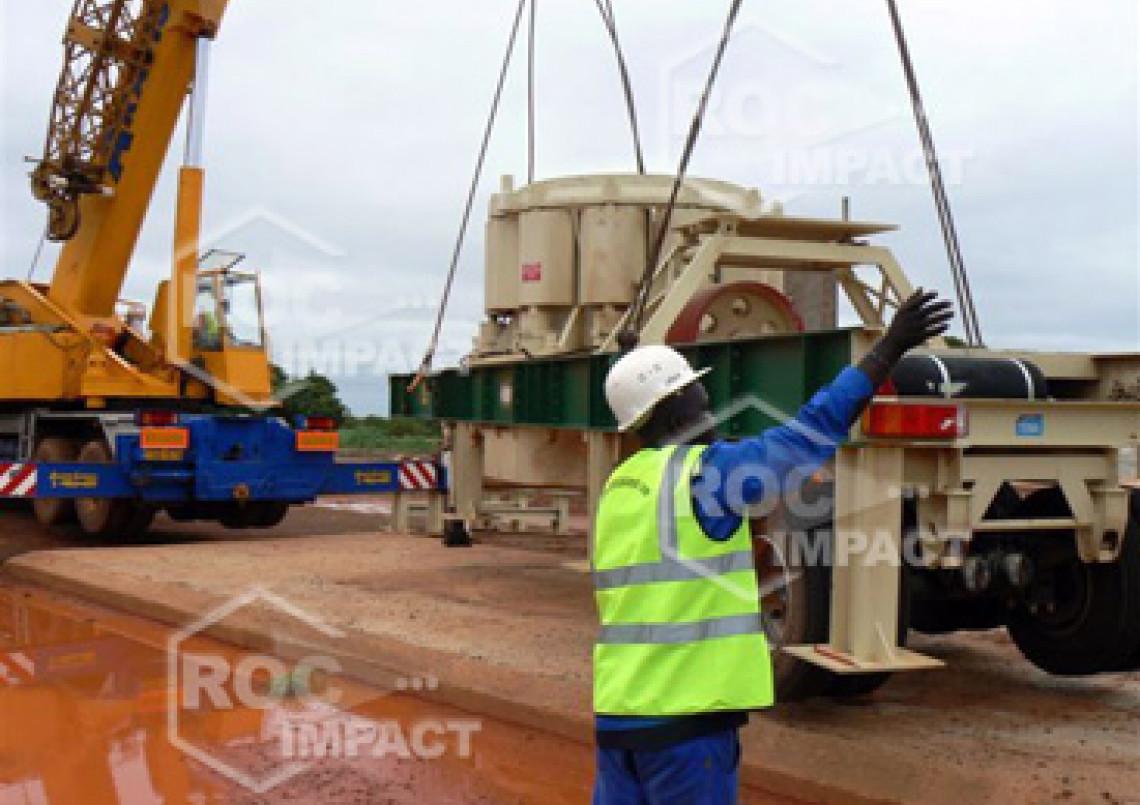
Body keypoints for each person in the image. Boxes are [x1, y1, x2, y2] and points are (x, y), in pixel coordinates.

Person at [592, 290, 954, 805]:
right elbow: (808, 434)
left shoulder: (620, 487)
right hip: (684, 728)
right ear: (672, 413)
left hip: (618, 719)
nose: (711, 413)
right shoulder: (705, 476)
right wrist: (886, 351)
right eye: (699, 401)